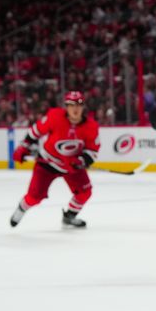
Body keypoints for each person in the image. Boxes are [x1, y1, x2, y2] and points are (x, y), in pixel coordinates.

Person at [9, 91, 100, 228]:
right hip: (47, 163)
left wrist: (82, 161)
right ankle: (21, 209)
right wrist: (24, 146)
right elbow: (36, 130)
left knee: (84, 192)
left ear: (83, 107)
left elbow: (92, 150)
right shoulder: (55, 117)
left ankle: (69, 217)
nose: (75, 108)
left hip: (71, 166)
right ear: (66, 107)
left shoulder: (91, 126)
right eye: (71, 105)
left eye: (78, 105)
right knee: (34, 198)